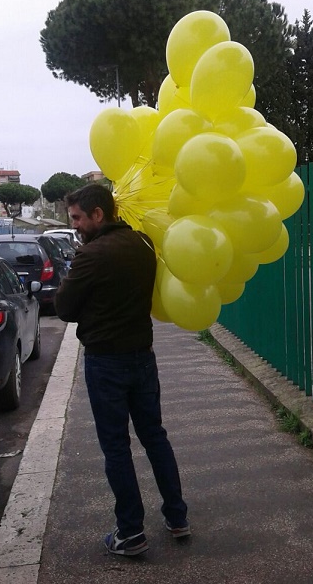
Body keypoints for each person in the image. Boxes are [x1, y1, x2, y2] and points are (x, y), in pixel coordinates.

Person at [54, 183, 189, 557]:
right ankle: (177, 517)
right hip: (142, 356)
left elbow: (63, 308)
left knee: (116, 448)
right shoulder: (144, 244)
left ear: (99, 214)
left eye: (79, 218)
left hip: (106, 363)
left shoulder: (92, 255)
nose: (76, 225)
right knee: (155, 437)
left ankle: (131, 532)